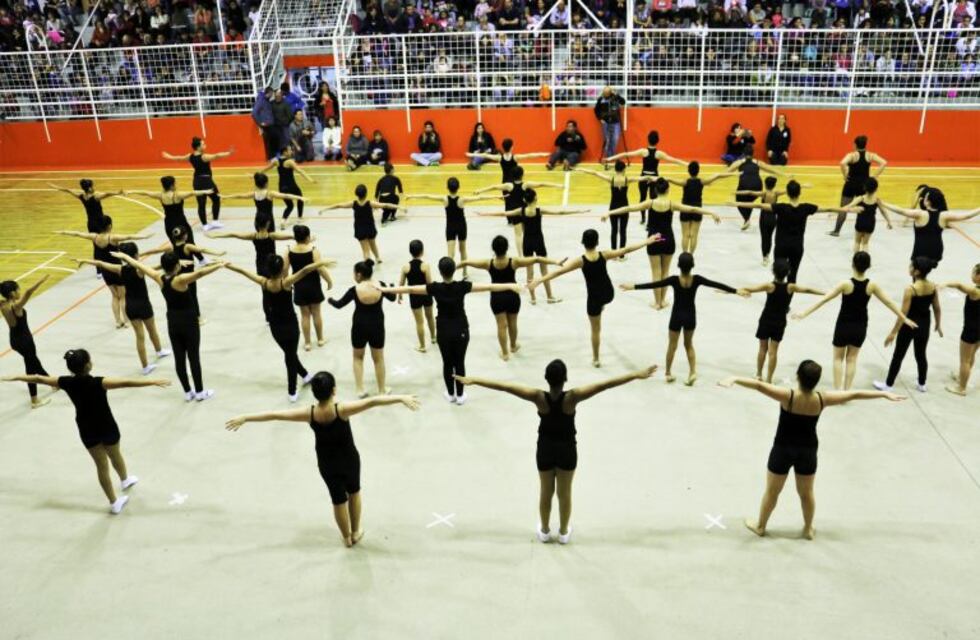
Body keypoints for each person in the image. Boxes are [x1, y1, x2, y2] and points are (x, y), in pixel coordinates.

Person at [454, 361, 657, 544]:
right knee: (564, 493)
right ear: (565, 378)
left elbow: (506, 386)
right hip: (567, 449)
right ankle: (563, 532)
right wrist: (635, 374)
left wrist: (475, 380)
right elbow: (606, 384)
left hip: (545, 448)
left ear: (546, 379)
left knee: (546, 491)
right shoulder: (573, 397)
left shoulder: (537, 397)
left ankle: (544, 530)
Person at [225, 371, 420, 548]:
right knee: (354, 492)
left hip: (327, 464)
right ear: (334, 390)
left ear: (315, 393)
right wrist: (400, 398)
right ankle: (355, 532)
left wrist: (246, 417)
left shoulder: (309, 413)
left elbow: (276, 415)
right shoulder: (342, 409)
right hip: (349, 460)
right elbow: (373, 402)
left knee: (337, 500)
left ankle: (346, 538)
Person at [718, 360, 906, 540]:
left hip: (782, 450)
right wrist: (883, 394)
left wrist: (734, 378)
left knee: (772, 492)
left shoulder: (788, 396)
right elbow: (854, 394)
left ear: (798, 376)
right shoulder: (822, 399)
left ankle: (761, 526)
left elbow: (759, 386)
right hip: (807, 452)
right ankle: (808, 529)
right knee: (806, 494)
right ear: (816, 381)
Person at [2, 348, 170, 514]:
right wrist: (151, 382)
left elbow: (39, 378)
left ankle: (114, 502)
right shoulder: (99, 382)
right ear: (88, 365)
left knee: (101, 466)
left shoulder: (66, 382)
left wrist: (16, 377)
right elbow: (125, 383)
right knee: (115, 454)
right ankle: (124, 480)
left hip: (86, 428)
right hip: (106, 425)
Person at [379, 257, 522, 404]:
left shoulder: (435, 288)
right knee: (459, 362)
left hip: (444, 330)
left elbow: (409, 289)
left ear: (440, 272)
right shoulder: (462, 286)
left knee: (447, 363)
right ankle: (460, 395)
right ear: (454, 270)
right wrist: (510, 285)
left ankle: (450, 394)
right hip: (461, 329)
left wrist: (385, 289)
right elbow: (488, 287)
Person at [529, 230, 662, 367]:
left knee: (595, 330)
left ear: (583, 243)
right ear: (597, 242)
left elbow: (559, 272)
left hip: (594, 298)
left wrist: (539, 280)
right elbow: (627, 249)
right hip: (608, 293)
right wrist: (648, 241)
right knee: (601, 303)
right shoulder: (604, 255)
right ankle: (602, 305)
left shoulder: (581, 261)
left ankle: (596, 359)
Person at [792, 251, 915, 390]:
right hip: (860, 326)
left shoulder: (846, 284)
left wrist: (804, 313)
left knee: (838, 358)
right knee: (852, 359)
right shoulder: (872, 285)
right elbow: (888, 302)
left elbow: (825, 299)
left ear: (853, 264)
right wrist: (904, 318)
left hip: (843, 325)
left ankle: (837, 391)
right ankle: (847, 391)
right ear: (868, 266)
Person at [621, 252, 748, 385]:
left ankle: (668, 373)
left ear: (678, 265)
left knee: (672, 345)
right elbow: (716, 284)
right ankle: (692, 372)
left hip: (676, 316)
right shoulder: (697, 279)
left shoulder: (674, 280)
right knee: (689, 345)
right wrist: (736, 291)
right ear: (692, 265)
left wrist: (633, 287)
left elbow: (655, 284)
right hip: (690, 316)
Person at [114, 250, 224, 401]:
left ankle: (187, 392)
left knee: (179, 359)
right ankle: (199, 392)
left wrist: (125, 257)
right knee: (193, 358)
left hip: (173, 321)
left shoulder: (159, 277)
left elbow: (139, 264)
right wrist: (219, 265)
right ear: (177, 266)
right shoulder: (180, 280)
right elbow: (200, 273)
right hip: (189, 322)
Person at [225, 255, 331, 400]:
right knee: (290, 356)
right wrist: (321, 263)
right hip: (290, 324)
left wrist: (228, 265)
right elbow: (305, 270)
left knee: (290, 354)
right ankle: (292, 391)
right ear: (282, 269)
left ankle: (305, 375)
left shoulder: (263, 282)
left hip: (275, 326)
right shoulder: (286, 283)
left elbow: (243, 271)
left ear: (268, 269)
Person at [607, 178, 721, 310]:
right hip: (668, 239)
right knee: (665, 272)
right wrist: (711, 212)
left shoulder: (650, 203)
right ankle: (662, 300)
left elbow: (629, 208)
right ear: (668, 190)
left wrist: (610, 212)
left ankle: (657, 303)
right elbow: (693, 209)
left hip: (653, 240)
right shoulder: (672, 204)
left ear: (655, 190)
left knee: (656, 272)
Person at [458, 235, 565, 361]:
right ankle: (513, 346)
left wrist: (450, 268)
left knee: (501, 325)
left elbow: (466, 262)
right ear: (507, 248)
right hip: (512, 296)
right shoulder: (514, 262)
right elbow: (537, 259)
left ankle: (505, 353)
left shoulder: (488, 263)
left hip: (497, 297)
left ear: (493, 249)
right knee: (513, 322)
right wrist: (556, 262)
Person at [728, 181, 858, 284]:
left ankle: (776, 298)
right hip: (797, 246)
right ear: (799, 193)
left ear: (788, 193)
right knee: (793, 276)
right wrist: (847, 209)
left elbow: (759, 206)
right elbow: (827, 208)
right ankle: (786, 303)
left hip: (781, 246)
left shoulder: (781, 208)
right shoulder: (806, 208)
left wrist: (737, 203)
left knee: (778, 275)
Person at [73, 243, 172, 375]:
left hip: (130, 306)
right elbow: (154, 268)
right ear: (136, 255)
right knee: (152, 329)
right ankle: (159, 351)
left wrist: (84, 260)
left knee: (139, 337)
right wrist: (172, 264)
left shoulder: (120, 269)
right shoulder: (139, 269)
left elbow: (101, 263)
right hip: (143, 304)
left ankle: (145, 367)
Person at [479, 189, 588, 304]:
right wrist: (580, 211)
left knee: (529, 272)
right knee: (544, 271)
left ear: (524, 200)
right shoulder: (538, 210)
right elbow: (560, 212)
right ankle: (549, 296)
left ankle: (533, 298)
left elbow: (504, 213)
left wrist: (485, 214)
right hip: (539, 242)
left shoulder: (521, 211)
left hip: (527, 243)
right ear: (535, 198)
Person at [56, 218, 152, 328]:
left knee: (114, 296)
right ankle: (126, 321)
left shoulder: (94, 237)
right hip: (116, 269)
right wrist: (144, 237)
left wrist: (63, 232)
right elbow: (129, 237)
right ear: (110, 226)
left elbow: (78, 234)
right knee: (122, 296)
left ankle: (117, 321)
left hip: (105, 270)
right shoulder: (112, 238)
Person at [742, 260, 824, 382]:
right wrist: (825, 293)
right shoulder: (790, 287)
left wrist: (736, 291)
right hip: (779, 322)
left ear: (773, 271)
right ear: (788, 272)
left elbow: (749, 289)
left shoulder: (769, 286)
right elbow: (807, 290)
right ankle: (769, 379)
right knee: (773, 352)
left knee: (762, 348)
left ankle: (759, 374)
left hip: (766, 320)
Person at [405, 178, 503, 279]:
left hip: (450, 227)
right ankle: (465, 272)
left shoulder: (444, 199)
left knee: (450, 254)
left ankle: (449, 274)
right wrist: (496, 196)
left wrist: (411, 196)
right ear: (458, 187)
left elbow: (427, 196)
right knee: (463, 250)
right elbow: (480, 198)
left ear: (447, 187)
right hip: (461, 226)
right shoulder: (462, 199)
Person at [206, 209, 293, 321]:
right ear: (268, 223)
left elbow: (234, 234)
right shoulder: (271, 236)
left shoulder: (253, 236)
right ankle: (279, 311)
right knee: (278, 288)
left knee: (265, 291)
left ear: (256, 223)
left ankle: (268, 316)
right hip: (272, 264)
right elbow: (289, 236)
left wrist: (216, 235)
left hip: (261, 266)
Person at [329, 260, 395, 398]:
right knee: (378, 359)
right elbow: (393, 298)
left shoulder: (354, 290)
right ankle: (382, 390)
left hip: (359, 326)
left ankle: (360, 389)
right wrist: (392, 286)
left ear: (359, 275)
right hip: (377, 325)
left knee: (358, 357)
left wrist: (330, 300)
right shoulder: (381, 286)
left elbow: (339, 304)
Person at [874, 257, 942, 393]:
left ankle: (888, 385)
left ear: (917, 272)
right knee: (921, 354)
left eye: (911, 266)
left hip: (909, 325)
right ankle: (922, 383)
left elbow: (903, 314)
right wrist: (938, 324)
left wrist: (893, 333)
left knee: (898, 355)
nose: (909, 267)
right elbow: (937, 307)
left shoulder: (911, 289)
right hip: (924, 324)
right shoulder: (933, 286)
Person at [472, 166, 561, 262]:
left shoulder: (509, 186)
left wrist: (480, 190)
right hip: (525, 212)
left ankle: (520, 255)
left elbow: (494, 187)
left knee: (518, 235)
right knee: (526, 233)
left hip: (516, 212)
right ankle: (528, 252)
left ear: (512, 175)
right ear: (522, 175)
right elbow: (541, 184)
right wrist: (557, 185)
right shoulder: (525, 185)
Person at [604, 131, 688, 225]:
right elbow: (674, 160)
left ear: (648, 140)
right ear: (657, 141)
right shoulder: (659, 154)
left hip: (643, 177)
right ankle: (650, 221)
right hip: (654, 179)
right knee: (653, 201)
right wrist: (687, 164)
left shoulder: (643, 152)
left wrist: (610, 158)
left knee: (642, 199)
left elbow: (626, 154)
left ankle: (643, 218)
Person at [879, 188, 980, 263]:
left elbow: (901, 211)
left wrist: (882, 203)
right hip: (936, 251)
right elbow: (967, 215)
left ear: (928, 202)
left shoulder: (920, 214)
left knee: (916, 272)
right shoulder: (943, 216)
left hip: (921, 251)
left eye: (926, 197)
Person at [124, 176, 211, 253]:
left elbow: (145, 193)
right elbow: (192, 193)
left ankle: (181, 261)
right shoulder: (178, 195)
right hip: (181, 223)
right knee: (190, 243)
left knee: (176, 246)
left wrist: (131, 191)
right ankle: (202, 260)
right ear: (172, 185)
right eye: (175, 183)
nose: (176, 185)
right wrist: (206, 191)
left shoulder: (160, 195)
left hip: (169, 224)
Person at [161, 138, 232, 231]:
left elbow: (178, 158)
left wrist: (169, 156)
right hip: (207, 181)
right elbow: (216, 156)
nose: (205, 145)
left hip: (197, 181)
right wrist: (228, 153)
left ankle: (205, 225)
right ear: (198, 147)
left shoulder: (190, 156)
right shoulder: (204, 157)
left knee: (201, 204)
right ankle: (215, 221)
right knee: (216, 199)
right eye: (203, 144)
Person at [574, 161, 650, 250]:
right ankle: (622, 254)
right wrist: (656, 178)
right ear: (624, 169)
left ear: (615, 169)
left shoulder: (611, 180)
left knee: (614, 230)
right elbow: (645, 177)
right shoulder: (628, 180)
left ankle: (613, 252)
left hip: (613, 206)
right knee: (623, 231)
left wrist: (580, 169)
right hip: (624, 207)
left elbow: (595, 173)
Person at [663, 161, 735, 254]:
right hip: (698, 210)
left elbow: (668, 179)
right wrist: (734, 173)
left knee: (685, 235)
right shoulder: (702, 181)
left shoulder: (685, 182)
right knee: (694, 235)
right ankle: (691, 255)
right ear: (698, 171)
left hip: (685, 209)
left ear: (688, 171)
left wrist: (652, 179)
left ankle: (684, 254)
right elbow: (718, 175)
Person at [1, 277, 51, 409]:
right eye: (18, 289)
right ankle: (34, 400)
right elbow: (29, 292)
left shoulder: (2, 305)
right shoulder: (16, 306)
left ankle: (53, 382)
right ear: (12, 293)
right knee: (31, 369)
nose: (20, 291)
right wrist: (40, 281)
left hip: (14, 340)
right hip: (25, 341)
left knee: (34, 363)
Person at [318, 185, 403, 262]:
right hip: (370, 228)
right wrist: (399, 207)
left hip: (360, 229)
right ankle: (377, 258)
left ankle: (367, 262)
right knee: (373, 244)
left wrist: (324, 209)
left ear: (357, 194)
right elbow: (385, 205)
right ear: (366, 193)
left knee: (365, 250)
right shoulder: (370, 203)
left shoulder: (353, 203)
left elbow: (338, 205)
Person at [284, 224, 334, 351]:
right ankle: (320, 339)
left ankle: (307, 343)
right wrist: (329, 281)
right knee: (316, 313)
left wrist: (287, 283)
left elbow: (285, 269)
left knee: (305, 315)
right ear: (307, 237)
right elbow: (320, 268)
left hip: (299, 286)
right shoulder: (313, 250)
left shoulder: (289, 250)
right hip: (313, 285)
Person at [830, 135, 887, 237]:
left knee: (844, 207)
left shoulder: (852, 155)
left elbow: (842, 163)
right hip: (864, 186)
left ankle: (836, 231)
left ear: (855, 145)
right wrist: (874, 177)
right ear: (865, 145)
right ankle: (862, 231)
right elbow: (884, 163)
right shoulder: (870, 155)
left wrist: (845, 175)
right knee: (863, 209)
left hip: (850, 184)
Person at [728, 145, 788, 231]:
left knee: (739, 201)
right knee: (751, 200)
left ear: (743, 153)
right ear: (753, 154)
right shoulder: (757, 162)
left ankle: (746, 219)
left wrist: (716, 177)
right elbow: (770, 169)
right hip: (757, 185)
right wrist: (784, 175)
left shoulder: (739, 162)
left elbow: (727, 172)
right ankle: (749, 219)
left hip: (744, 185)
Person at [943, 264, 980, 396]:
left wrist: (945, 284)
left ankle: (961, 388)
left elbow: (959, 285)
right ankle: (961, 377)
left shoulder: (975, 292)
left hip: (971, 329)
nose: (971, 274)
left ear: (978, 276)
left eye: (973, 272)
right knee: (971, 356)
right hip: (979, 329)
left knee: (965, 360)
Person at [397, 240, 437, 353]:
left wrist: (399, 295)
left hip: (414, 297)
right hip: (426, 294)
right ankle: (433, 337)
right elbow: (429, 283)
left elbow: (401, 283)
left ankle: (422, 346)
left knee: (419, 322)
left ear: (410, 252)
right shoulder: (425, 266)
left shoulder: (406, 267)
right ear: (422, 251)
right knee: (430, 317)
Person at [257, 149, 313, 228]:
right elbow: (300, 171)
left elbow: (265, 169)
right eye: (289, 151)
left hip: (282, 187)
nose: (291, 152)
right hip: (292, 185)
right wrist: (310, 179)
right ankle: (300, 218)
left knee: (290, 206)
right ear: (285, 152)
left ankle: (283, 221)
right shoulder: (290, 162)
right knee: (300, 198)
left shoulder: (276, 161)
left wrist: (255, 175)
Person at [47, 179, 120, 234]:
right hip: (100, 222)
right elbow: (107, 194)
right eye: (92, 186)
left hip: (90, 224)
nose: (93, 188)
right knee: (104, 237)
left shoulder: (81, 197)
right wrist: (118, 193)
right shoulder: (96, 197)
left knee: (95, 242)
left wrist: (55, 187)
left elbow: (68, 190)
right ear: (89, 188)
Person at [466, 137, 550, 183]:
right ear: (511, 147)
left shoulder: (499, 158)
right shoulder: (515, 157)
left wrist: (471, 154)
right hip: (514, 182)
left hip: (505, 182)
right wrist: (542, 154)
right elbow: (529, 156)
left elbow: (485, 155)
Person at [845, 177, 892, 255]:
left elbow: (848, 207)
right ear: (876, 189)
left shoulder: (860, 198)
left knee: (857, 242)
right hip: (870, 224)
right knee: (865, 243)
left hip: (860, 222)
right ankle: (865, 259)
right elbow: (883, 211)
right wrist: (889, 222)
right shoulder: (877, 200)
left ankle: (856, 259)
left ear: (864, 188)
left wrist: (837, 212)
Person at [593, 86, 626, 167]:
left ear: (610, 92)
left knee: (615, 139)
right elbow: (596, 110)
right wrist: (600, 119)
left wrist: (617, 95)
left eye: (607, 93)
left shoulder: (615, 98)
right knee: (607, 140)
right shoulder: (601, 99)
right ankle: (608, 158)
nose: (605, 94)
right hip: (606, 123)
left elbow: (623, 102)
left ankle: (612, 156)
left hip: (615, 122)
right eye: (604, 93)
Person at [251, 87, 276, 159]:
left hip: (270, 124)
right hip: (266, 125)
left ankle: (271, 157)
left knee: (271, 141)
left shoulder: (267, 101)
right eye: (272, 93)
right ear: (269, 93)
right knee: (268, 142)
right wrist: (260, 123)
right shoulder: (261, 101)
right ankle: (269, 157)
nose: (272, 95)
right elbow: (254, 113)